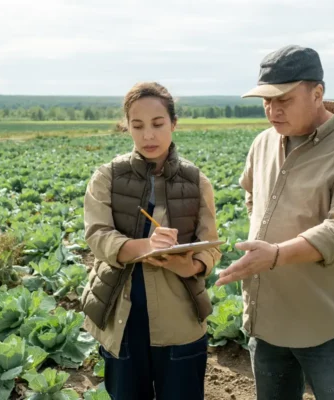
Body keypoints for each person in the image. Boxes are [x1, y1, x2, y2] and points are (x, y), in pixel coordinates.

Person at [216, 45, 334, 399]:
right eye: (266, 100)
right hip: (267, 323)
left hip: (326, 326)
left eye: (284, 100)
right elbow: (251, 194)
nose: (272, 110)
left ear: (318, 93)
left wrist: (276, 254)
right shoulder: (263, 142)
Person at [82, 82, 221, 400]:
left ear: (173, 123)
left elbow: (211, 244)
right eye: (138, 125)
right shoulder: (107, 177)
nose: (148, 136)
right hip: (123, 319)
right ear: (126, 126)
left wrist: (190, 266)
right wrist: (145, 246)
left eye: (158, 124)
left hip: (181, 319)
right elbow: (97, 236)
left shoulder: (197, 181)